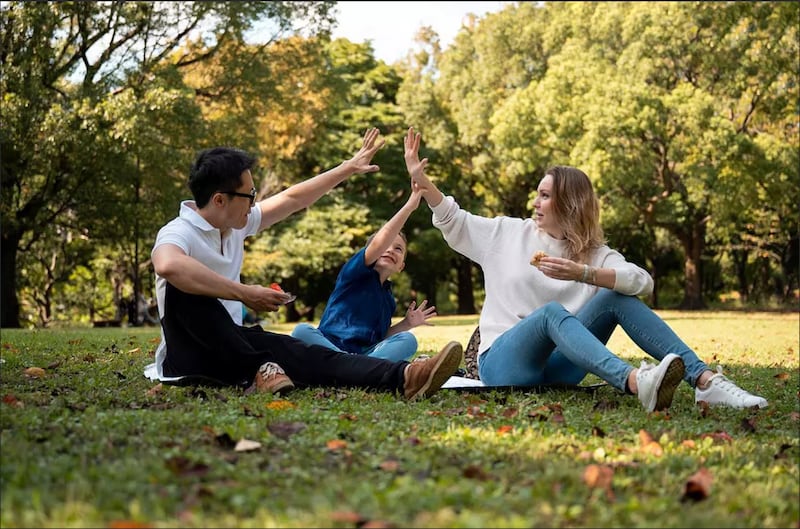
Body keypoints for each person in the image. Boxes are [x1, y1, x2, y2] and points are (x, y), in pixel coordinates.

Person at [403, 126, 767, 411]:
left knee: (616, 296)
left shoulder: (595, 254)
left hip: (559, 372)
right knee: (550, 315)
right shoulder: (508, 233)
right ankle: (637, 383)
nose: (536, 201)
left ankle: (705, 382)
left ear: (570, 205)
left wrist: (584, 274)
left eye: (546, 195)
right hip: (503, 364)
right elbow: (454, 220)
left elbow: (642, 282)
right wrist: (424, 181)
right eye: (538, 193)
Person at [142, 128, 463, 400]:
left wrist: (347, 168)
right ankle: (259, 366)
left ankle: (406, 376)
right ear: (220, 200)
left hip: (237, 344)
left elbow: (292, 200)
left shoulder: (234, 225)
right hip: (191, 356)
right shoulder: (179, 231)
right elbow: (168, 266)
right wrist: (243, 293)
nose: (254, 204)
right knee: (183, 288)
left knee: (312, 355)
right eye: (249, 195)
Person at [291, 184, 436, 362]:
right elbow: (379, 242)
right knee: (301, 331)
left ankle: (354, 369)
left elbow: (380, 339)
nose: (390, 250)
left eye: (398, 248)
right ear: (371, 250)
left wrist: (407, 324)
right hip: (330, 349)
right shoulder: (354, 273)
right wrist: (408, 207)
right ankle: (357, 369)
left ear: (401, 266)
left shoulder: (388, 299)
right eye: (385, 244)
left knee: (408, 340)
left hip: (363, 355)